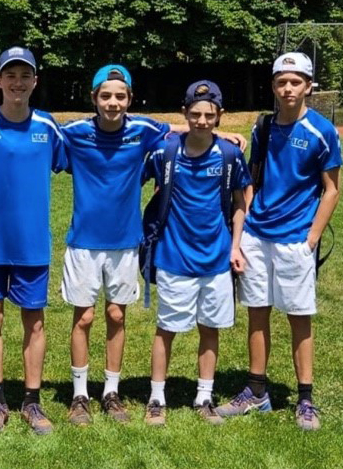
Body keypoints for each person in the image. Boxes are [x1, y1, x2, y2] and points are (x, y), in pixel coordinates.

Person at [59, 66, 247, 426]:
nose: (113, 102)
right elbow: (33, 125)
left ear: (129, 99)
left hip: (126, 242)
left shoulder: (144, 130)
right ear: (94, 97)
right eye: (105, 95)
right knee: (83, 317)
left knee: (116, 315)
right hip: (83, 241)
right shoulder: (75, 131)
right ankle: (80, 394)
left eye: (120, 95)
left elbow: (186, 128)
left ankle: (111, 393)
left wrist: (221, 133)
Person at [216, 52, 342, 431]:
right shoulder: (263, 128)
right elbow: (254, 175)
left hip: (294, 241)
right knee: (257, 311)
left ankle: (305, 399)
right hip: (257, 236)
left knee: (299, 318)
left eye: (295, 81)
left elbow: (332, 189)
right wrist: (251, 216)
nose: (288, 88)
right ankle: (257, 391)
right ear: (273, 86)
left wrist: (312, 238)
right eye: (281, 82)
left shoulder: (322, 131)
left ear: (308, 86)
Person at [0, 47, 67, 435]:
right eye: (10, 75)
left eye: (25, 75)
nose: (17, 82)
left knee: (34, 322)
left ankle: (31, 401)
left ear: (35, 82)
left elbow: (88, 145)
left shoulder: (48, 126)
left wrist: (195, 130)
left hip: (31, 243)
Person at [142, 81, 251, 427]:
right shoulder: (165, 153)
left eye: (209, 114)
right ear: (184, 114)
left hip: (216, 260)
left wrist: (235, 246)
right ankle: (156, 397)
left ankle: (204, 396)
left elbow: (239, 204)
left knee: (210, 328)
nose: (202, 121)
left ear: (220, 116)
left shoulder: (231, 155)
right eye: (195, 114)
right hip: (174, 257)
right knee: (167, 329)